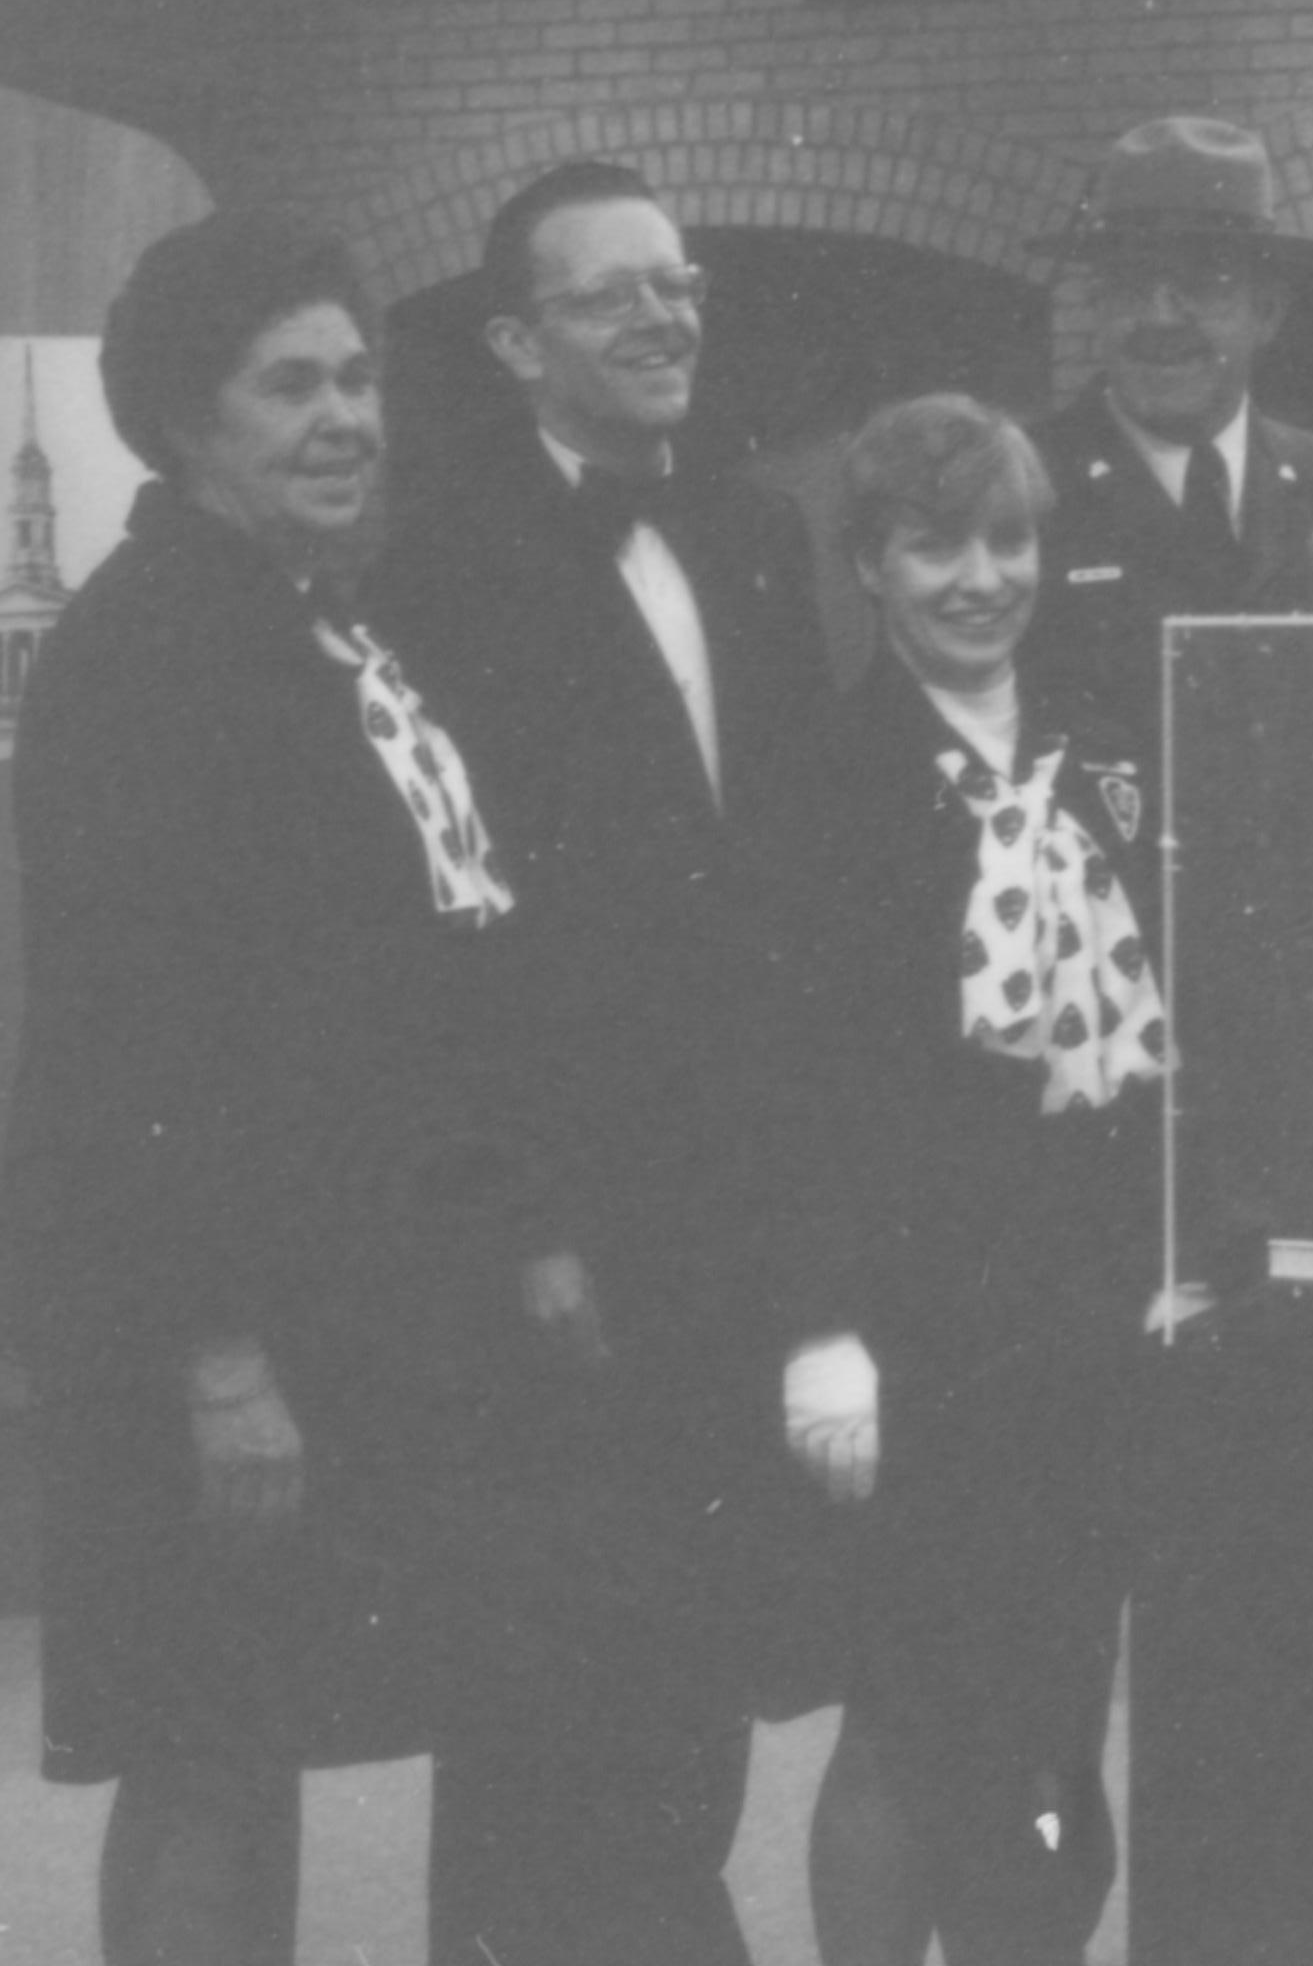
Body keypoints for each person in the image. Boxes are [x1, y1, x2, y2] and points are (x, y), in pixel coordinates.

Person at [2, 213, 541, 1962]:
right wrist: (220, 1359)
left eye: (362, 377)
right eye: (290, 383)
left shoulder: (310, 627)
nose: (346, 417)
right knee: (208, 1761)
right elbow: (113, 1050)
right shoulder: (151, 653)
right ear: (182, 417)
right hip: (203, 1338)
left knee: (256, 1738)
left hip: (324, 1307)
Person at [367, 157, 839, 1965]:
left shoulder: (746, 524)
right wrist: (525, 1221)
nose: (665, 316)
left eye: (680, 281)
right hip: (550, 1215)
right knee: (540, 1679)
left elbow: (777, 874)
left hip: (722, 1194)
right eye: (610, 293)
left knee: (694, 1650)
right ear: (512, 342)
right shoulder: (445, 557)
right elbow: (441, 950)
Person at [778, 395, 1169, 1965]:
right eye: (935, 547)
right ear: (868, 565)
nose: (979, 577)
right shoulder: (829, 773)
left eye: (1007, 540)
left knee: (1060, 1701)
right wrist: (821, 1327)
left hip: (1087, 1301)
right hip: (914, 1323)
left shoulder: (1101, 746)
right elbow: (793, 1077)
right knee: (909, 1706)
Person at [1023, 114, 1313, 1240]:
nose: (1159, 318)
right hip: (1113, 1046)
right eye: (1130, 285)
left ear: (1267, 310)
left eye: (1201, 285)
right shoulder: (1025, 495)